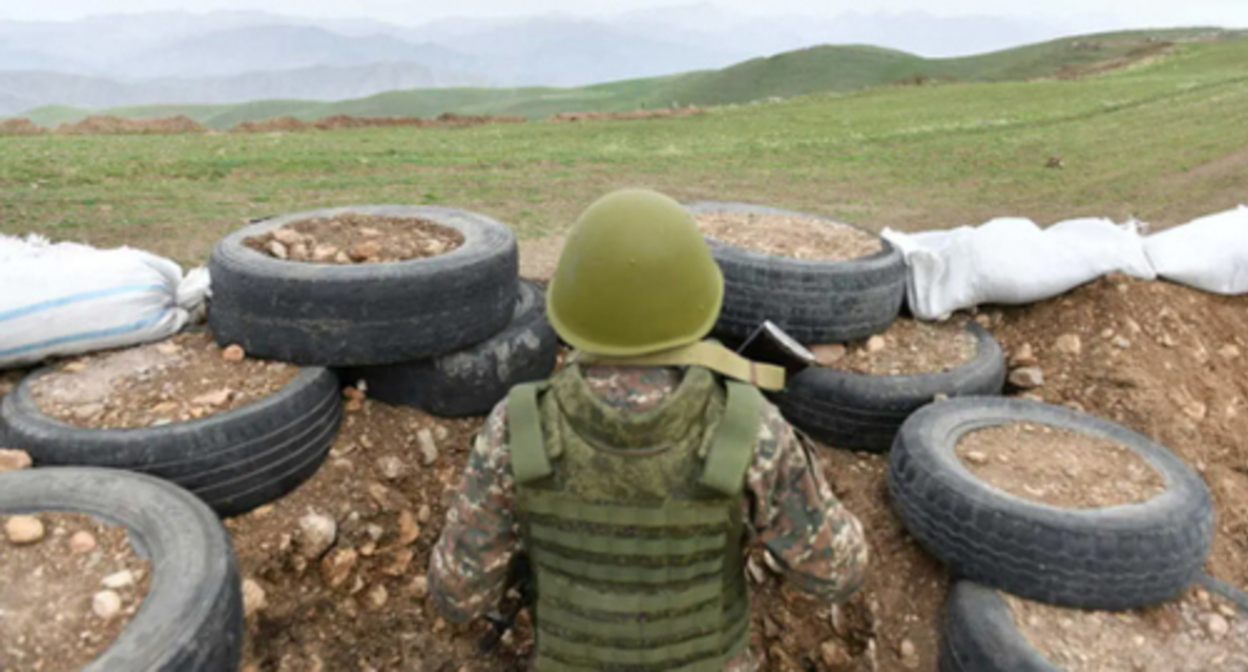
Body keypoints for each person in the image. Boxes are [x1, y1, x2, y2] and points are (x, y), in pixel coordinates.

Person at [429, 188, 869, 670]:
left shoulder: (517, 430)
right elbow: (836, 573)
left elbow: (458, 596)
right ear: (698, 302)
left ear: (572, 309)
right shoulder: (749, 428)